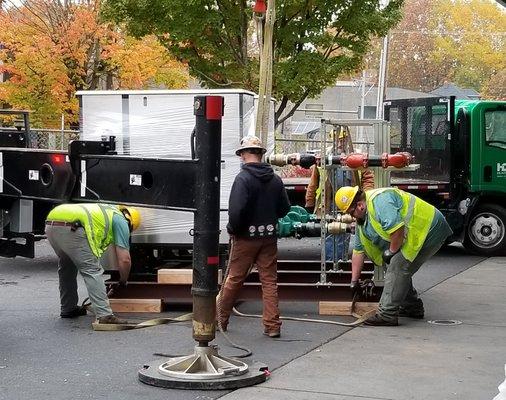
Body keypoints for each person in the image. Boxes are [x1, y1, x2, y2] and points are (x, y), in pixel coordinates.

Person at [334, 186, 452, 326]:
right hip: (416, 233)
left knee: (397, 265)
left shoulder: (380, 202)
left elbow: (397, 230)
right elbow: (358, 252)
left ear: (360, 205)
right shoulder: (362, 222)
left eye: (351, 213)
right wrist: (354, 281)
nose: (351, 217)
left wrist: (391, 251)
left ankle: (387, 314)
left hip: (430, 227)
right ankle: (412, 307)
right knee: (394, 265)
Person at [217, 135, 290, 338]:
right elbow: (285, 208)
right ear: (260, 154)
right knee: (269, 281)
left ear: (244, 154)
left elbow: (236, 211)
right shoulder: (275, 179)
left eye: (241, 154)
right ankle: (272, 326)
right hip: (268, 237)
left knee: (234, 279)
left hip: (245, 239)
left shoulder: (243, 179)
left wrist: (233, 228)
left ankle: (219, 319)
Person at [45, 203, 141, 324]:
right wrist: (123, 280)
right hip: (72, 228)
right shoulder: (120, 220)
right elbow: (125, 259)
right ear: (130, 222)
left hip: (51, 222)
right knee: (92, 270)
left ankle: (68, 308)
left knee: (67, 267)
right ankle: (104, 315)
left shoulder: (107, 209)